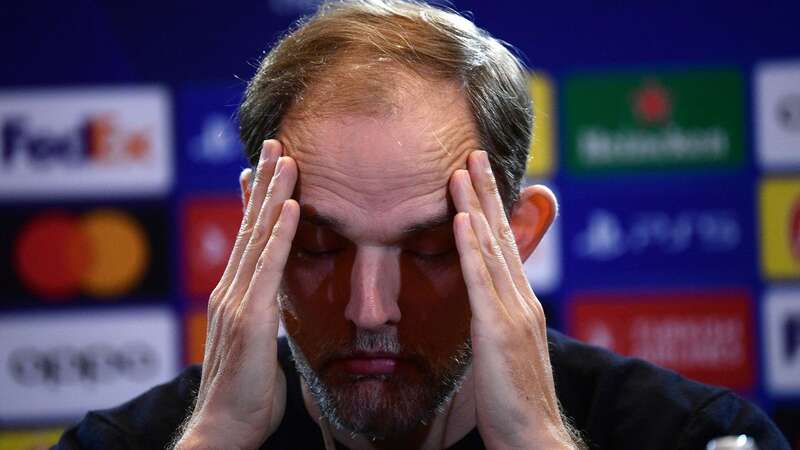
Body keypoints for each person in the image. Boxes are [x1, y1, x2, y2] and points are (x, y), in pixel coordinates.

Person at [54, 1, 790, 449]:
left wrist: (538, 442)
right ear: (256, 235)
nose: (371, 308)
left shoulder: (694, 438)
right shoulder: (134, 444)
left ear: (520, 234)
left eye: (433, 248)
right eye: (318, 245)